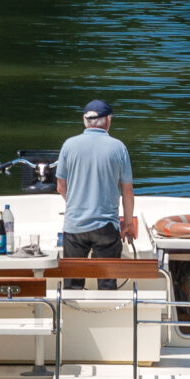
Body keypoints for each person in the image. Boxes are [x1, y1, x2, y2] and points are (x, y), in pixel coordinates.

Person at [54, 99, 135, 286]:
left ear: (85, 120)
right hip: (106, 226)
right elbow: (127, 191)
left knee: (72, 285)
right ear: (107, 121)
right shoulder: (119, 147)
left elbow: (60, 187)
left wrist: (76, 203)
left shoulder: (68, 145)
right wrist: (128, 223)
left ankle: (71, 314)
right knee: (107, 284)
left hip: (74, 225)